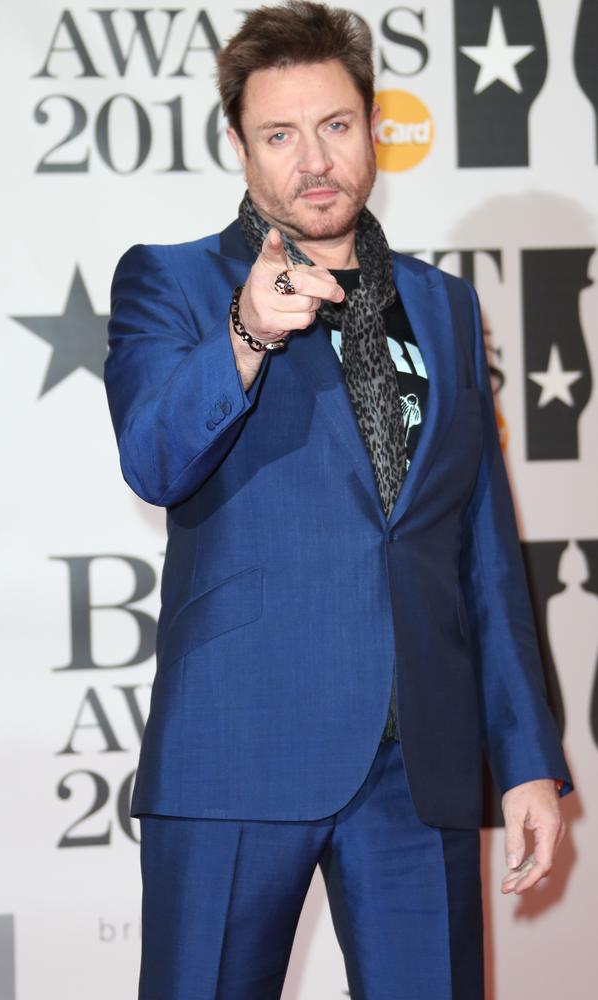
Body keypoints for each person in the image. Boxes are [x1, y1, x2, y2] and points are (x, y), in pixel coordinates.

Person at [104, 3, 573, 997]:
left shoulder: (442, 305)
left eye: (335, 126)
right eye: (279, 134)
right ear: (237, 145)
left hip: (420, 769)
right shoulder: (174, 284)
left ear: (372, 126)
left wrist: (526, 756)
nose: (312, 160)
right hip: (237, 751)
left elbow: (479, 550)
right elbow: (152, 460)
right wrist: (242, 333)